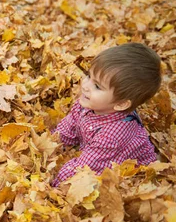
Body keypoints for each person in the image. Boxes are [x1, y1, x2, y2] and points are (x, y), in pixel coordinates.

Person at [52, 42, 161, 186]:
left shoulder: (113, 135)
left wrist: (52, 183)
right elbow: (68, 128)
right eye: (88, 76)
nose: (85, 86)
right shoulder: (89, 104)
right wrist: (52, 145)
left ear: (121, 104)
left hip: (127, 173)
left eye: (97, 86)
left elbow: (83, 170)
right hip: (96, 154)